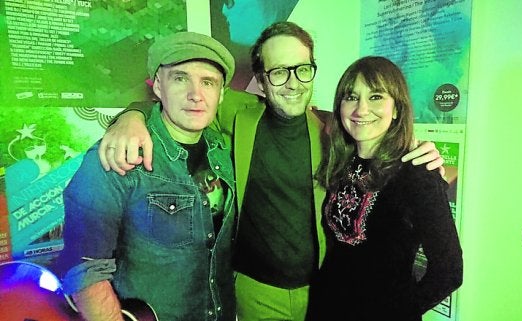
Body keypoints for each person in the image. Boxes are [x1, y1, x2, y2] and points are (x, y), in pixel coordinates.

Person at [97, 22, 445, 321]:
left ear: (312, 70)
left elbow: (385, 145)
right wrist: (131, 116)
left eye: (301, 69)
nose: (292, 83)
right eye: (278, 72)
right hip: (255, 292)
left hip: (323, 293)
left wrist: (424, 154)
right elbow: (176, 100)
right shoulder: (238, 112)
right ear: (261, 81)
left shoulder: (334, 128)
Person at [56, 32, 238, 321]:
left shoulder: (226, 150)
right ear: (158, 87)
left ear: (221, 94)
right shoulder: (118, 154)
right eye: (180, 78)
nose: (196, 94)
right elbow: (84, 270)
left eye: (208, 82)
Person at [306, 56, 463, 321]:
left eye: (376, 96)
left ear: (397, 109)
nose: (361, 109)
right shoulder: (341, 162)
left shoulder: (417, 174)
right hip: (327, 308)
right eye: (351, 97)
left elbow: (449, 272)